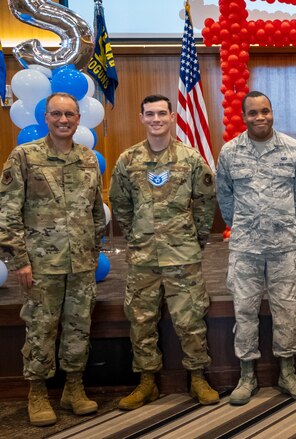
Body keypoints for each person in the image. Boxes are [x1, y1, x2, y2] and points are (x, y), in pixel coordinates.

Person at [0, 92, 106, 426]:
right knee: (41, 329)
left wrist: (93, 250)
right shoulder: (25, 156)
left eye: (70, 115)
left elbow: (95, 212)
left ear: (78, 118)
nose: (63, 120)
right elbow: (7, 213)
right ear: (45, 117)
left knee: (78, 328)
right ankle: (37, 392)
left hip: (81, 264)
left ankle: (73, 388)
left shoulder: (88, 158)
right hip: (41, 265)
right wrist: (19, 260)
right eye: (56, 114)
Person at [109, 95, 218, 410]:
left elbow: (205, 204)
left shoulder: (191, 158)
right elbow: (120, 204)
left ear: (172, 117)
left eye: (161, 113)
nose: (156, 119)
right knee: (141, 320)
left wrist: (192, 240)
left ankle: (197, 377)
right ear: (141, 118)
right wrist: (136, 237)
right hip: (143, 257)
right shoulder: (128, 160)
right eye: (150, 114)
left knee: (191, 319)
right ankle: (146, 381)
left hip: (182, 256)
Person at [216, 91, 296, 403]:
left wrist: (282, 221)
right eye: (253, 113)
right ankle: (247, 376)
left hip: (284, 247)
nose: (260, 117)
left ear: (273, 113)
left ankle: (287, 373)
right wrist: (248, 224)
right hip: (245, 248)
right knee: (244, 311)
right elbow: (224, 197)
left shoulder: (292, 149)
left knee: (286, 310)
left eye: (265, 111)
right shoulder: (230, 152)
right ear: (244, 116)